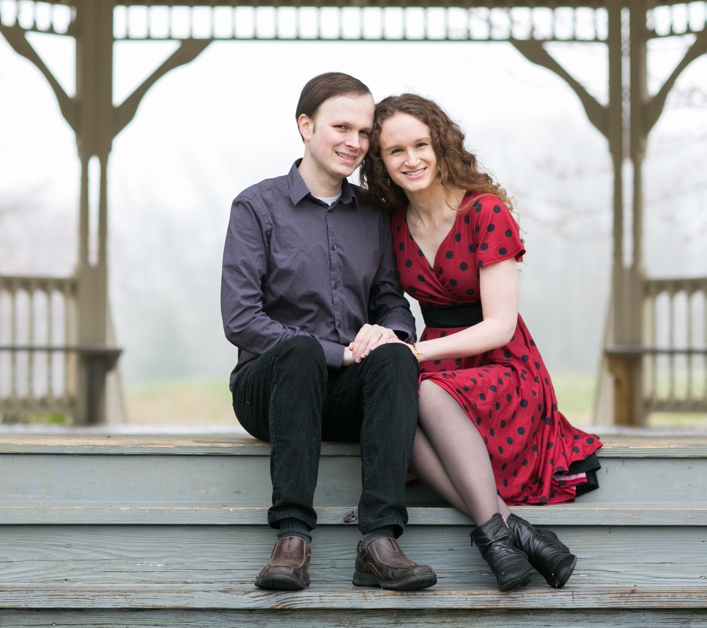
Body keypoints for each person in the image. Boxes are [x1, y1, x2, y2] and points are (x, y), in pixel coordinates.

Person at [360, 93, 603, 591]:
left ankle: (498, 535)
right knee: (394, 407)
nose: (412, 160)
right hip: (438, 363)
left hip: (504, 365)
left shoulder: (485, 212)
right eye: (395, 151)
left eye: (421, 144)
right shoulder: (392, 223)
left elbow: (500, 326)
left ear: (441, 144)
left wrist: (415, 353)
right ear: (381, 162)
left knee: (422, 391)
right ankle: (510, 533)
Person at [220, 73, 437, 592]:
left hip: (344, 394)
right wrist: (335, 353)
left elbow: (390, 299)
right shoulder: (256, 207)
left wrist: (392, 334)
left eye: (364, 133)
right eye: (342, 127)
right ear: (305, 126)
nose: (355, 143)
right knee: (297, 350)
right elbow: (241, 320)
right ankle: (292, 536)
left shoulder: (373, 214)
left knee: (398, 356)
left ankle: (379, 542)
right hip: (269, 390)